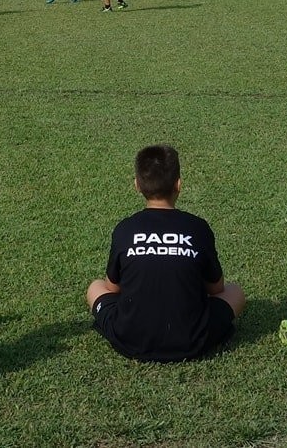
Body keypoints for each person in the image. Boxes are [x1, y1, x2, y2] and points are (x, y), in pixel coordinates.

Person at [87, 144, 245, 362]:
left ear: (137, 185)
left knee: (95, 287)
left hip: (131, 339)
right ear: (178, 185)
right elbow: (216, 288)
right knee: (235, 292)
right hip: (192, 340)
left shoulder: (125, 228)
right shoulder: (197, 227)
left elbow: (112, 288)